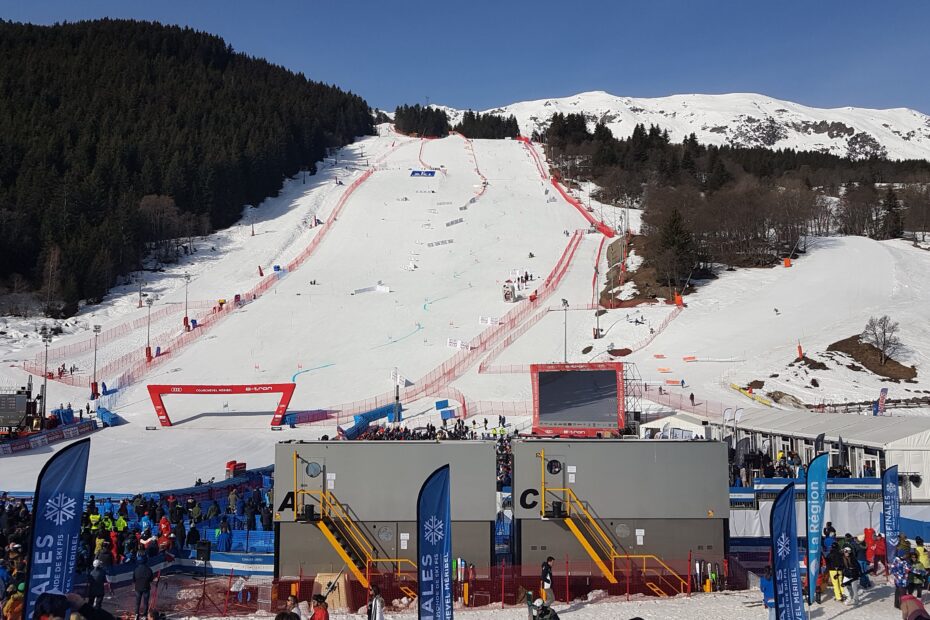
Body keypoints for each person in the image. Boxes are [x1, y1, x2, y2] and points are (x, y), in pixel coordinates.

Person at [133, 556, 155, 620]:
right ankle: (144, 615)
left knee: (137, 602)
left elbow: (134, 579)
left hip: (138, 588)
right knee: (145, 602)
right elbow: (151, 579)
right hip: (146, 587)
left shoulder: (136, 569)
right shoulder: (149, 569)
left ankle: (136, 615)